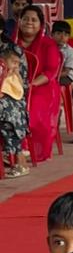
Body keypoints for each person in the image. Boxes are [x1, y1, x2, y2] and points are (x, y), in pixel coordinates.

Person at [15, 4, 62, 159]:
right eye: (25, 19)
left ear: (41, 25)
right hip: (14, 85)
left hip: (41, 86)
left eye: (34, 20)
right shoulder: (11, 42)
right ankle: (10, 149)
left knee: (31, 107)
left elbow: (51, 71)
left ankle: (28, 150)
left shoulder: (48, 44)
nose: (29, 22)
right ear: (19, 21)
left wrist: (30, 85)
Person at [0, 40, 29, 176]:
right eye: (13, 62)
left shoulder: (14, 74)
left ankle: (19, 160)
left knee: (9, 121)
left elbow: (21, 88)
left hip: (14, 104)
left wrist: (14, 73)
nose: (17, 65)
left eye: (18, 63)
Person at [51, 20, 73, 86]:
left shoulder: (71, 52)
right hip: (50, 73)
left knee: (50, 82)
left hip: (65, 76)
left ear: (69, 37)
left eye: (66, 35)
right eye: (58, 33)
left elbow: (66, 72)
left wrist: (51, 76)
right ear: (52, 34)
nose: (62, 37)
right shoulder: (48, 47)